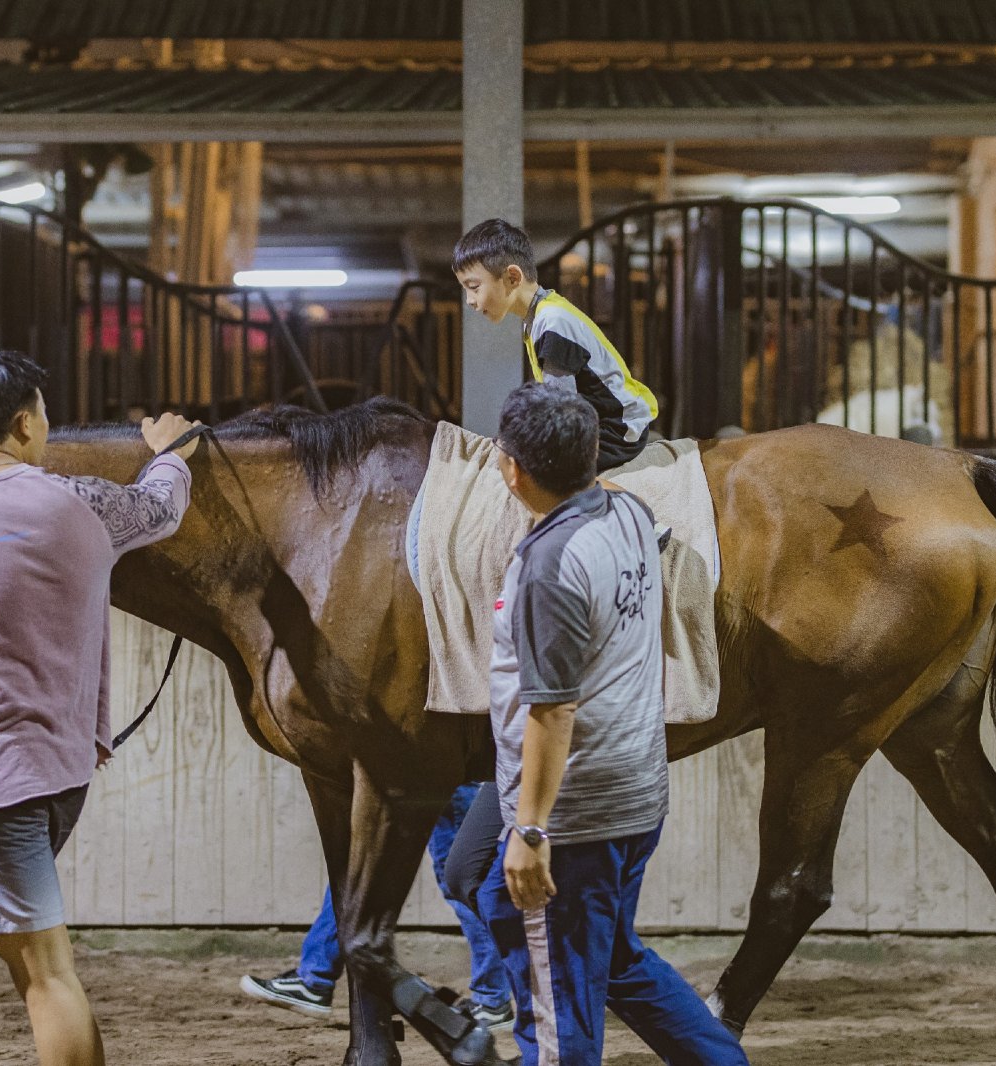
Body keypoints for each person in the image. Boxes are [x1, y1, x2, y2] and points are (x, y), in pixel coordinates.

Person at [0, 349, 201, 1066]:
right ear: (24, 423)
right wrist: (171, 454)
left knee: (46, 975)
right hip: (62, 768)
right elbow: (160, 508)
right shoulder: (80, 504)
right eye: (44, 414)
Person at [473, 382, 747, 1066]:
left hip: (576, 817)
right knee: (613, 956)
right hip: (635, 793)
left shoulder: (548, 567)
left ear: (513, 470)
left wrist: (531, 830)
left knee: (556, 1002)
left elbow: (552, 709)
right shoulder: (628, 511)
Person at [239, 783, 513, 1033]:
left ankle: (492, 998)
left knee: (456, 878)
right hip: (408, 768)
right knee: (366, 869)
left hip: (429, 768)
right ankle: (315, 976)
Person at [453, 218, 660, 472]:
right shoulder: (539, 317)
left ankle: (601, 497)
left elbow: (563, 414)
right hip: (596, 422)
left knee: (534, 468)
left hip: (616, 431)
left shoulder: (552, 322)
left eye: (474, 287)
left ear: (512, 277)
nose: (469, 300)